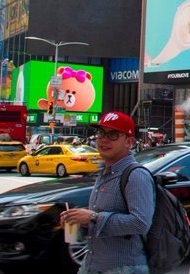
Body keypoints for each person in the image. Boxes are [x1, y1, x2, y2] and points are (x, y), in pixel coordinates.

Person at [60, 111, 155, 274]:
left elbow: (140, 223)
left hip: (124, 268)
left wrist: (92, 217)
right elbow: (99, 224)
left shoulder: (136, 175)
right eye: (101, 133)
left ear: (129, 142)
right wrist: (79, 221)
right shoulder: (105, 172)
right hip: (93, 265)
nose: (104, 139)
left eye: (113, 135)